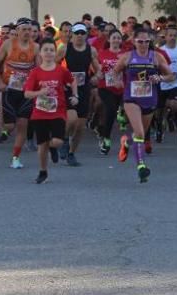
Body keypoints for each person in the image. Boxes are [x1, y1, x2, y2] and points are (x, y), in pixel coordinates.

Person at [112, 27, 175, 182]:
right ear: (134, 41)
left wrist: (159, 78)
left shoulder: (156, 57)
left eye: (147, 41)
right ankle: (141, 166)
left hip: (149, 99)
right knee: (140, 133)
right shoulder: (127, 57)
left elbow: (171, 75)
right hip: (131, 98)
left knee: (139, 135)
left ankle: (126, 142)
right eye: (140, 41)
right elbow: (115, 71)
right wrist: (117, 80)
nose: (144, 44)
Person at [23, 38, 78, 184]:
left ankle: (53, 148)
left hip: (58, 112)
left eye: (51, 50)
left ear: (55, 53)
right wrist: (39, 93)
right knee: (42, 145)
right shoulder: (35, 72)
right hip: (39, 113)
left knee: (58, 141)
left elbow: (72, 81)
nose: (48, 53)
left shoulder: (61, 70)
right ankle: (43, 171)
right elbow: (27, 93)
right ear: (40, 53)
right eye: (45, 50)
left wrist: (75, 95)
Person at [0, 17, 39, 169]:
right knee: (10, 125)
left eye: (29, 30)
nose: (27, 32)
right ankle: (4, 122)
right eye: (24, 29)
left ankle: (15, 157)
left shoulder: (36, 47)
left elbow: (39, 69)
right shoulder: (8, 44)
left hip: (26, 93)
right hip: (9, 90)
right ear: (17, 31)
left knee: (22, 124)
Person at [56, 22, 100, 166]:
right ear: (72, 35)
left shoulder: (91, 50)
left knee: (80, 127)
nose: (80, 36)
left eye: (82, 33)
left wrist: (95, 77)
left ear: (86, 35)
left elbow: (99, 69)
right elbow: (53, 65)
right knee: (71, 119)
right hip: (68, 89)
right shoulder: (65, 49)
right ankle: (63, 140)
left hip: (83, 89)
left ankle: (71, 153)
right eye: (77, 33)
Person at [95, 29, 126, 155]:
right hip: (105, 87)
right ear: (109, 40)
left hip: (121, 88)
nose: (116, 40)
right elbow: (96, 68)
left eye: (119, 38)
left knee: (119, 112)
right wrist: (98, 73)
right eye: (114, 37)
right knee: (111, 110)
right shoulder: (102, 53)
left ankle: (106, 127)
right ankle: (106, 139)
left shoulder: (126, 54)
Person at [153, 25, 177, 142]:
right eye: (170, 35)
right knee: (158, 110)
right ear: (165, 37)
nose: (172, 38)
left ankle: (170, 117)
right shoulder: (160, 51)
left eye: (175, 35)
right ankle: (159, 128)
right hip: (162, 83)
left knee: (175, 104)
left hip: (176, 83)